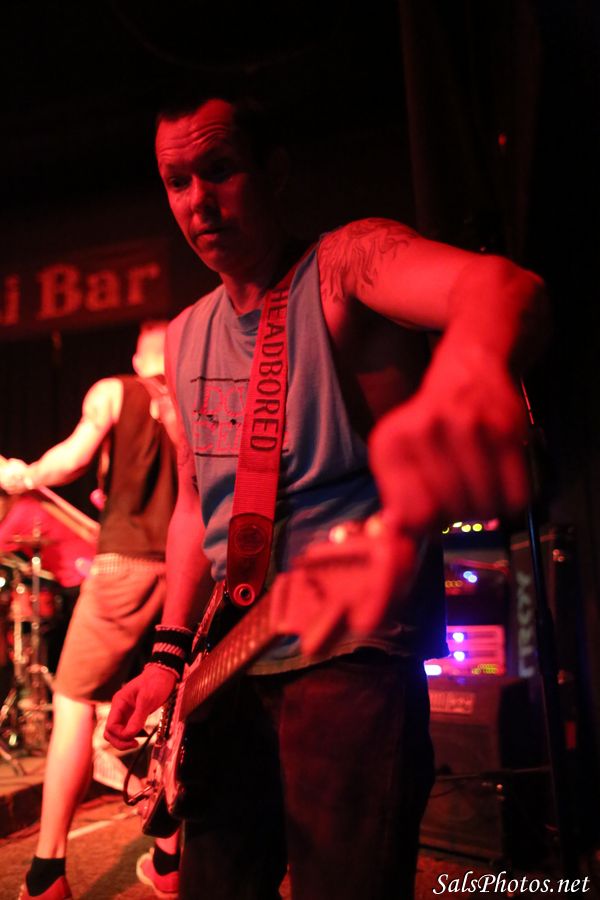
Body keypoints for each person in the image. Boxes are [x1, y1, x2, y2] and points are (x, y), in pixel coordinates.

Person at [104, 96, 546, 899]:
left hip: (348, 648)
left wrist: (471, 371)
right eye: (176, 181)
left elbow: (501, 287)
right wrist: (168, 656)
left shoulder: (344, 266)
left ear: (273, 172)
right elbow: (197, 505)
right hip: (228, 659)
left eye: (219, 170)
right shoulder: (185, 333)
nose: (198, 200)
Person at [0, 321, 181, 900]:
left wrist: (24, 476)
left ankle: (47, 872)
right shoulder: (196, 396)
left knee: (74, 703)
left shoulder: (115, 390)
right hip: (189, 572)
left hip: (125, 567)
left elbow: (73, 457)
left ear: (139, 353)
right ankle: (170, 860)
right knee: (173, 709)